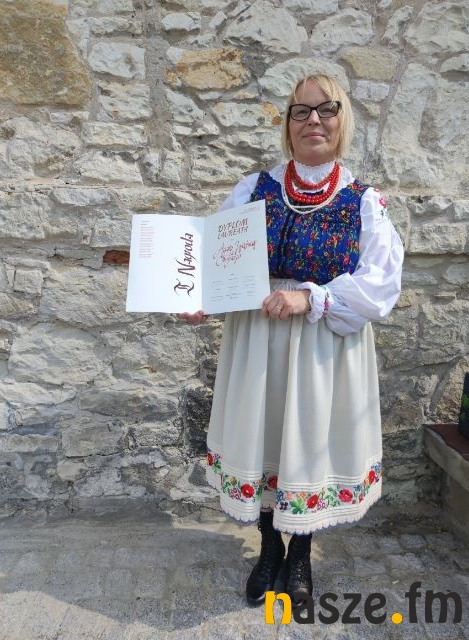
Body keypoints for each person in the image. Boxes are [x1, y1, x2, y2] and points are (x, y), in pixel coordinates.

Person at [180, 73, 404, 608]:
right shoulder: (254, 189)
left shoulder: (363, 201)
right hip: (259, 340)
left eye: (326, 109)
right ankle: (268, 549)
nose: (313, 121)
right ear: (287, 124)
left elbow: (381, 285)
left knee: (308, 445)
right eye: (300, 112)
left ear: (343, 119)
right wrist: (197, 296)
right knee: (263, 441)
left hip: (322, 346)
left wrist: (312, 297)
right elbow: (215, 258)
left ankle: (300, 554)